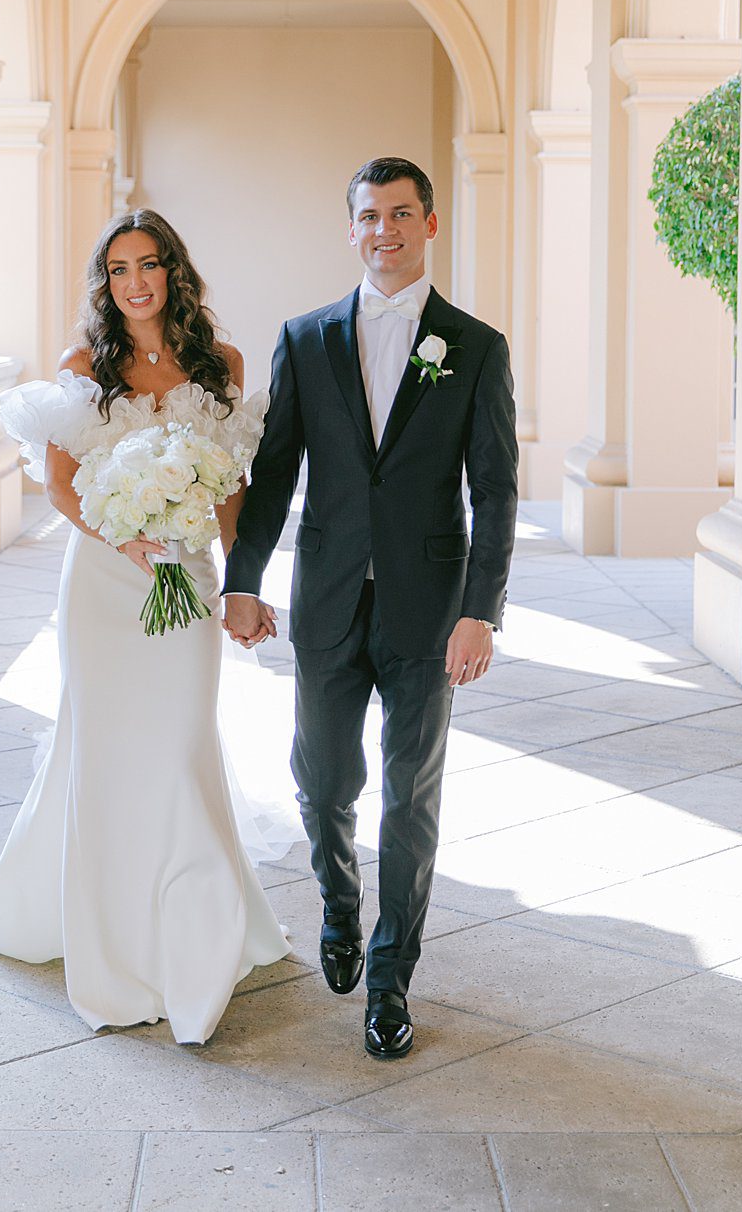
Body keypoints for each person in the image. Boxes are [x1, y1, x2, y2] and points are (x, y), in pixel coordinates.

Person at [221, 155, 518, 1060]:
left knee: (412, 796)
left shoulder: (475, 347)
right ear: (349, 229)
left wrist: (483, 611)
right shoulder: (305, 338)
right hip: (328, 597)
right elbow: (273, 476)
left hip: (430, 610)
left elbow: (496, 490)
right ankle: (339, 903)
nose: (383, 231)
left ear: (430, 224)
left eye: (400, 214)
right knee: (322, 778)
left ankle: (390, 979)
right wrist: (243, 580)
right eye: (368, 216)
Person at [0, 210, 289, 1045]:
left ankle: (196, 935)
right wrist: (130, 534)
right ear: (105, 283)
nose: (136, 282)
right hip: (107, 583)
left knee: (183, 743)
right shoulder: (84, 366)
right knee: (109, 752)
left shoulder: (220, 363)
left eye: (149, 265)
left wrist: (243, 585)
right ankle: (114, 940)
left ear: (173, 272)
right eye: (119, 269)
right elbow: (59, 485)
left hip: (187, 573)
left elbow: (229, 486)